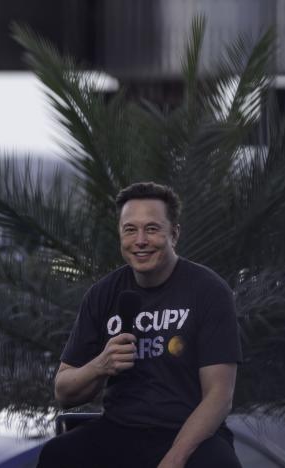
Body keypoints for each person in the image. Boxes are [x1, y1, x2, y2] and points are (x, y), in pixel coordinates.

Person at [37, 182, 242, 468]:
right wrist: (100, 366)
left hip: (190, 435)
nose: (140, 240)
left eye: (152, 229)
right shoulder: (103, 294)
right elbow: (63, 391)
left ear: (174, 234)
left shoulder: (208, 291)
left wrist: (175, 458)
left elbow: (219, 396)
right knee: (57, 455)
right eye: (130, 229)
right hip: (119, 430)